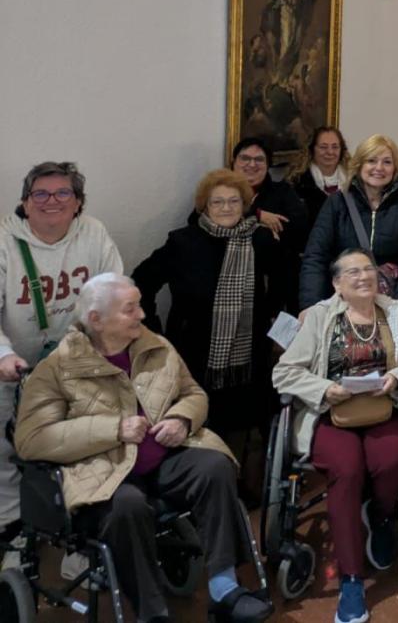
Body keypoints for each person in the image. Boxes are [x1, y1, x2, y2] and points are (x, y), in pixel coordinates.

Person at [15, 273, 272, 623]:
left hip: (164, 461)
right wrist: (114, 429)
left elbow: (193, 394)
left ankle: (224, 589)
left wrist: (182, 419)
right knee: (128, 506)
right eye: (130, 309)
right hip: (104, 474)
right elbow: (32, 440)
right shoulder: (56, 369)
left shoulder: (156, 347)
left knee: (214, 467)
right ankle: (151, 614)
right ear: (96, 320)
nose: (141, 315)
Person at [273, 250, 398, 623]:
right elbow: (283, 373)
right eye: (352, 272)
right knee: (346, 470)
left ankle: (379, 517)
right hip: (331, 414)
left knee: (394, 457)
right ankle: (350, 579)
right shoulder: (318, 318)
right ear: (336, 283)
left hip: (383, 408)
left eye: (368, 269)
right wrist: (324, 389)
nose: (363, 276)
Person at [0, 161, 124, 537]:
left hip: (77, 360)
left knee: (83, 444)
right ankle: (11, 524)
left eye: (62, 193)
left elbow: (115, 292)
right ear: (25, 202)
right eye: (40, 193)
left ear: (78, 202)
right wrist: (3, 354)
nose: (51, 201)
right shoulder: (5, 240)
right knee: (8, 446)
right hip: (16, 362)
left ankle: (79, 531)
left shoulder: (94, 233)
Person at [134, 169, 279, 441]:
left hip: (250, 358)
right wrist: (155, 333)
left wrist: (277, 330)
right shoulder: (183, 242)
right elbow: (141, 283)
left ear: (245, 204)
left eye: (234, 201)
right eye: (217, 202)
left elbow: (286, 286)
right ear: (204, 206)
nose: (226, 208)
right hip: (193, 357)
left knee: (247, 431)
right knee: (202, 430)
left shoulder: (260, 240)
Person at [300, 135, 398, 310]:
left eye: (387, 162)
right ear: (359, 164)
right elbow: (315, 256)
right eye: (371, 160)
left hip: (390, 301)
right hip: (343, 302)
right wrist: (311, 305)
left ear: (395, 168)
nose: (379, 168)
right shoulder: (337, 203)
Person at [228, 136, 310, 292]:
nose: (252, 164)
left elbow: (300, 230)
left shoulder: (283, 192)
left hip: (275, 282)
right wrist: (257, 215)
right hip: (227, 273)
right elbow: (200, 220)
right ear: (234, 163)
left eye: (259, 159)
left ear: (267, 165)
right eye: (245, 158)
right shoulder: (219, 189)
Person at [294, 126, 351, 225]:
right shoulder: (297, 183)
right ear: (312, 150)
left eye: (335, 147)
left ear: (341, 150)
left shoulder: (354, 181)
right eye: (323, 147)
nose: (330, 152)